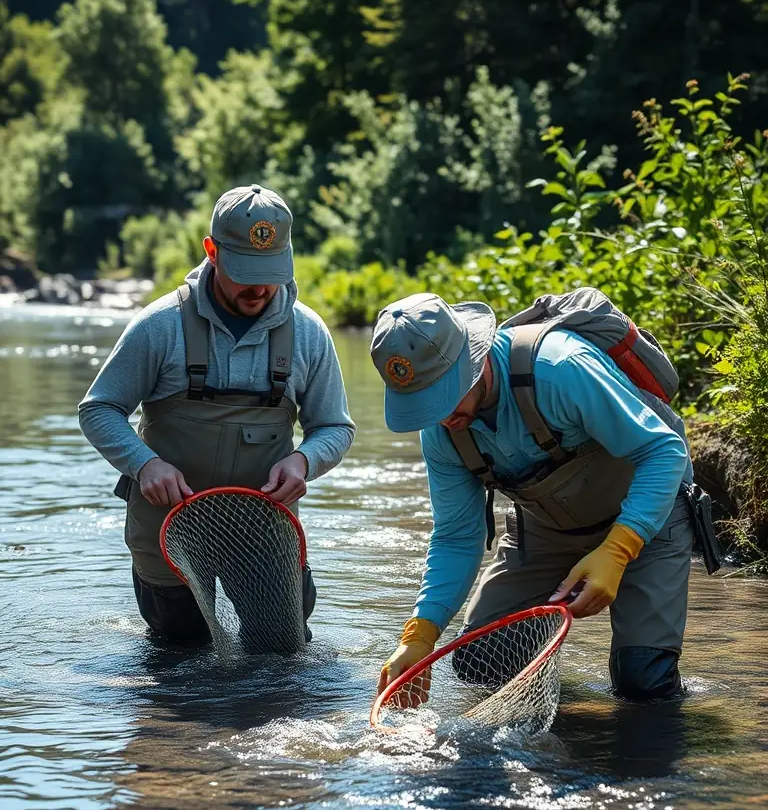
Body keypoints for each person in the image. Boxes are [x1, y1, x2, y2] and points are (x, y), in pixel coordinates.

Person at [370, 292, 693, 704]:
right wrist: (420, 633)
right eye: (424, 403)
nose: (439, 416)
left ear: (474, 360)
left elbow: (663, 452)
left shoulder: (561, 369)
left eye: (443, 395)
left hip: (651, 513)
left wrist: (617, 549)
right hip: (546, 530)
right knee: (481, 662)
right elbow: (456, 535)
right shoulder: (441, 431)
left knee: (643, 683)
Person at [79, 184, 355, 643]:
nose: (260, 288)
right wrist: (144, 463)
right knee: (179, 666)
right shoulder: (159, 325)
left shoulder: (308, 333)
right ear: (212, 251)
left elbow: (334, 427)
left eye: (271, 271)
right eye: (246, 271)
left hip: (265, 531)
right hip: (168, 531)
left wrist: (305, 460)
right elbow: (99, 409)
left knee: (280, 663)